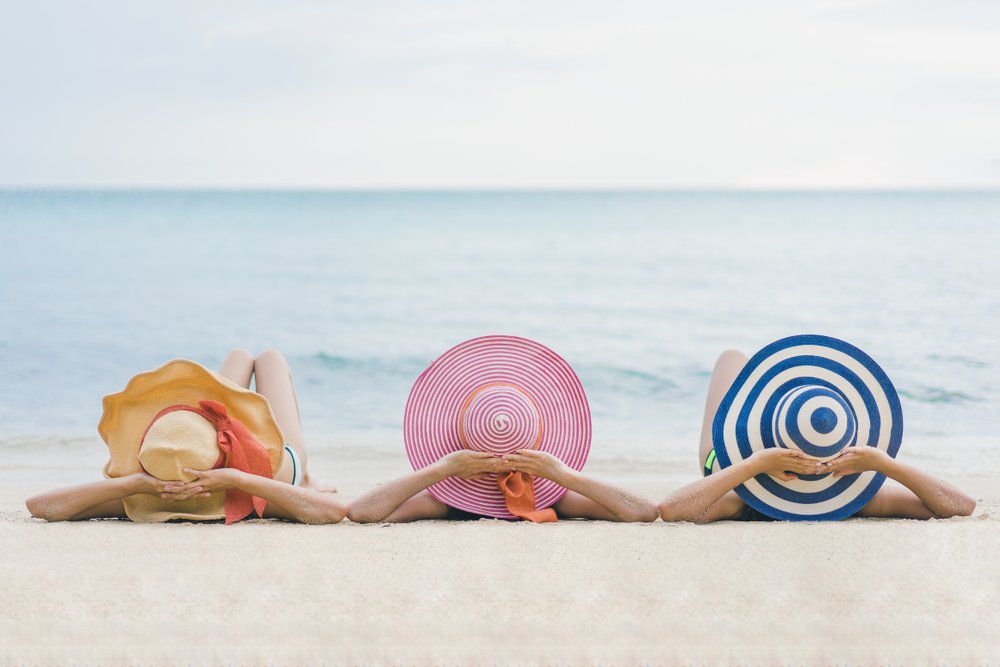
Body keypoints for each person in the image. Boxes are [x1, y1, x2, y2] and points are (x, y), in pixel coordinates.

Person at [658, 346, 977, 523]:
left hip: (727, 468)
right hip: (760, 464)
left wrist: (754, 465)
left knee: (731, 357)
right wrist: (884, 464)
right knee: (735, 360)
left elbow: (672, 510)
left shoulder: (746, 497)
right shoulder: (854, 498)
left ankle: (763, 398)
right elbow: (959, 505)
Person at [26, 349, 347, 524]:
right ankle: (305, 476)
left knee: (238, 356)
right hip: (274, 469)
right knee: (270, 359)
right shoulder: (249, 498)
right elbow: (333, 512)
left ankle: (210, 416)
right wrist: (240, 478)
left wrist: (131, 484)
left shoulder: (149, 495)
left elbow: (40, 507)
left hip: (203, 449)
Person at [346, 448, 658, 523]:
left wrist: (562, 475)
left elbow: (644, 510)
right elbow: (360, 511)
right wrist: (443, 470)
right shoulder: (449, 499)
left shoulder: (548, 497)